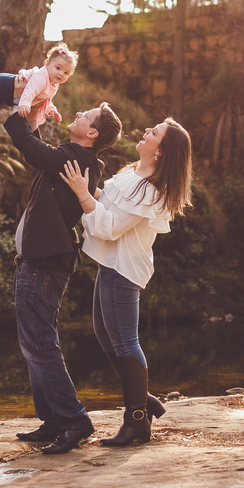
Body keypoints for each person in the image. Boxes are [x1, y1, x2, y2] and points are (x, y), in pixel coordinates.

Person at [60, 117, 192, 447]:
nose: (146, 131)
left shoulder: (152, 191)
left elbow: (110, 226)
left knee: (125, 342)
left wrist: (80, 192)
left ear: (161, 152)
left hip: (124, 270)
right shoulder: (133, 173)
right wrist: (86, 187)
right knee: (107, 337)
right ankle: (143, 400)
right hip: (111, 264)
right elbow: (105, 202)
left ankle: (136, 420)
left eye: (154, 133)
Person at [4, 103, 123, 454]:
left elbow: (30, 147)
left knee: (39, 343)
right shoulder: (72, 158)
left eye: (86, 116)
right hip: (39, 261)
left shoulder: (78, 161)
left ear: (92, 133)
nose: (78, 113)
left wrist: (21, 109)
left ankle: (73, 420)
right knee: (33, 343)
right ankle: (55, 420)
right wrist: (36, 117)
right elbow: (40, 156)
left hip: (43, 264)